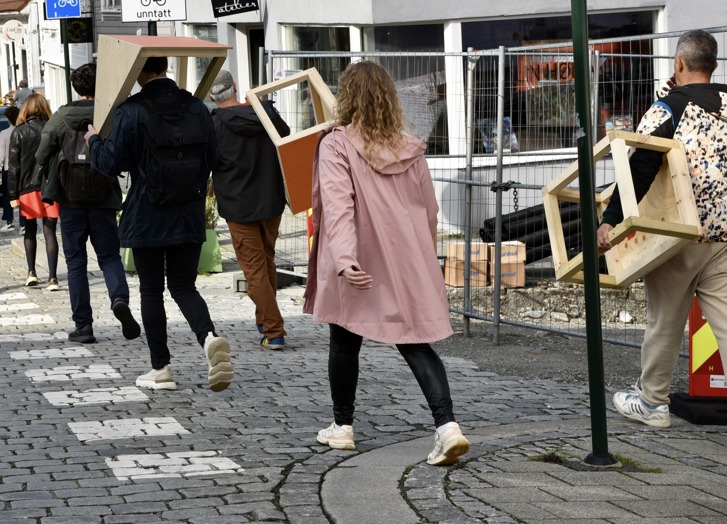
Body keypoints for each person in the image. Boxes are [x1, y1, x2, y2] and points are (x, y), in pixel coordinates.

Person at [305, 61, 469, 465]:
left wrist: (343, 259)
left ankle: (342, 427)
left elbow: (339, 206)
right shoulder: (409, 146)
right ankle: (447, 427)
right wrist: (422, 257)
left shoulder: (336, 144)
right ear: (389, 98)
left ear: (346, 96)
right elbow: (429, 210)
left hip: (359, 257)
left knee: (344, 338)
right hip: (405, 257)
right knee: (413, 339)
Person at [598, 30, 727, 449]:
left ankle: (653, 403)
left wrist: (611, 220)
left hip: (680, 233)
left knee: (664, 320)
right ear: (713, 66)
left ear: (679, 64)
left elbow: (640, 164)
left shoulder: (668, 106)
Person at [87, 56, 232, 393]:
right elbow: (213, 159)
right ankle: (208, 337)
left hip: (147, 213)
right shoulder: (197, 107)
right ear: (166, 66)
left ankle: (161, 368)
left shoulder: (131, 110)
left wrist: (94, 140)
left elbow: (110, 163)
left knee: (151, 289)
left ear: (138, 71)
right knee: (184, 286)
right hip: (189, 211)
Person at [37, 63, 141, 344]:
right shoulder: (110, 113)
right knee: (108, 256)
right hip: (104, 196)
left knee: (75, 263)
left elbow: (41, 151)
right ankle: (119, 297)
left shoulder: (62, 116)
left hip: (70, 200)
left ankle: (84, 326)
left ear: (76, 88)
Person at [209, 69, 292, 350]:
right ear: (234, 87)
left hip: (237, 204)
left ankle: (274, 330)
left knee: (254, 270)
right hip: (270, 199)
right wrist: (261, 105)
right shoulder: (262, 112)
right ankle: (264, 320)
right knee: (265, 261)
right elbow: (287, 134)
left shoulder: (214, 124)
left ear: (211, 96)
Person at [8, 93, 60, 291]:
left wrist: (12, 194)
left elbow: (14, 167)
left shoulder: (19, 132)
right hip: (50, 187)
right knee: (50, 232)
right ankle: (53, 278)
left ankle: (31, 272)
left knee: (29, 230)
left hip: (27, 188)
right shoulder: (52, 129)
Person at [0, 105, 20, 233]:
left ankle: (10, 221)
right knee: (21, 196)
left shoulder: (4, 134)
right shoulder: (22, 130)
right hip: (22, 169)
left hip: (8, 170)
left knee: (9, 197)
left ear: (8, 119)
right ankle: (24, 221)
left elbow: (1, 154)